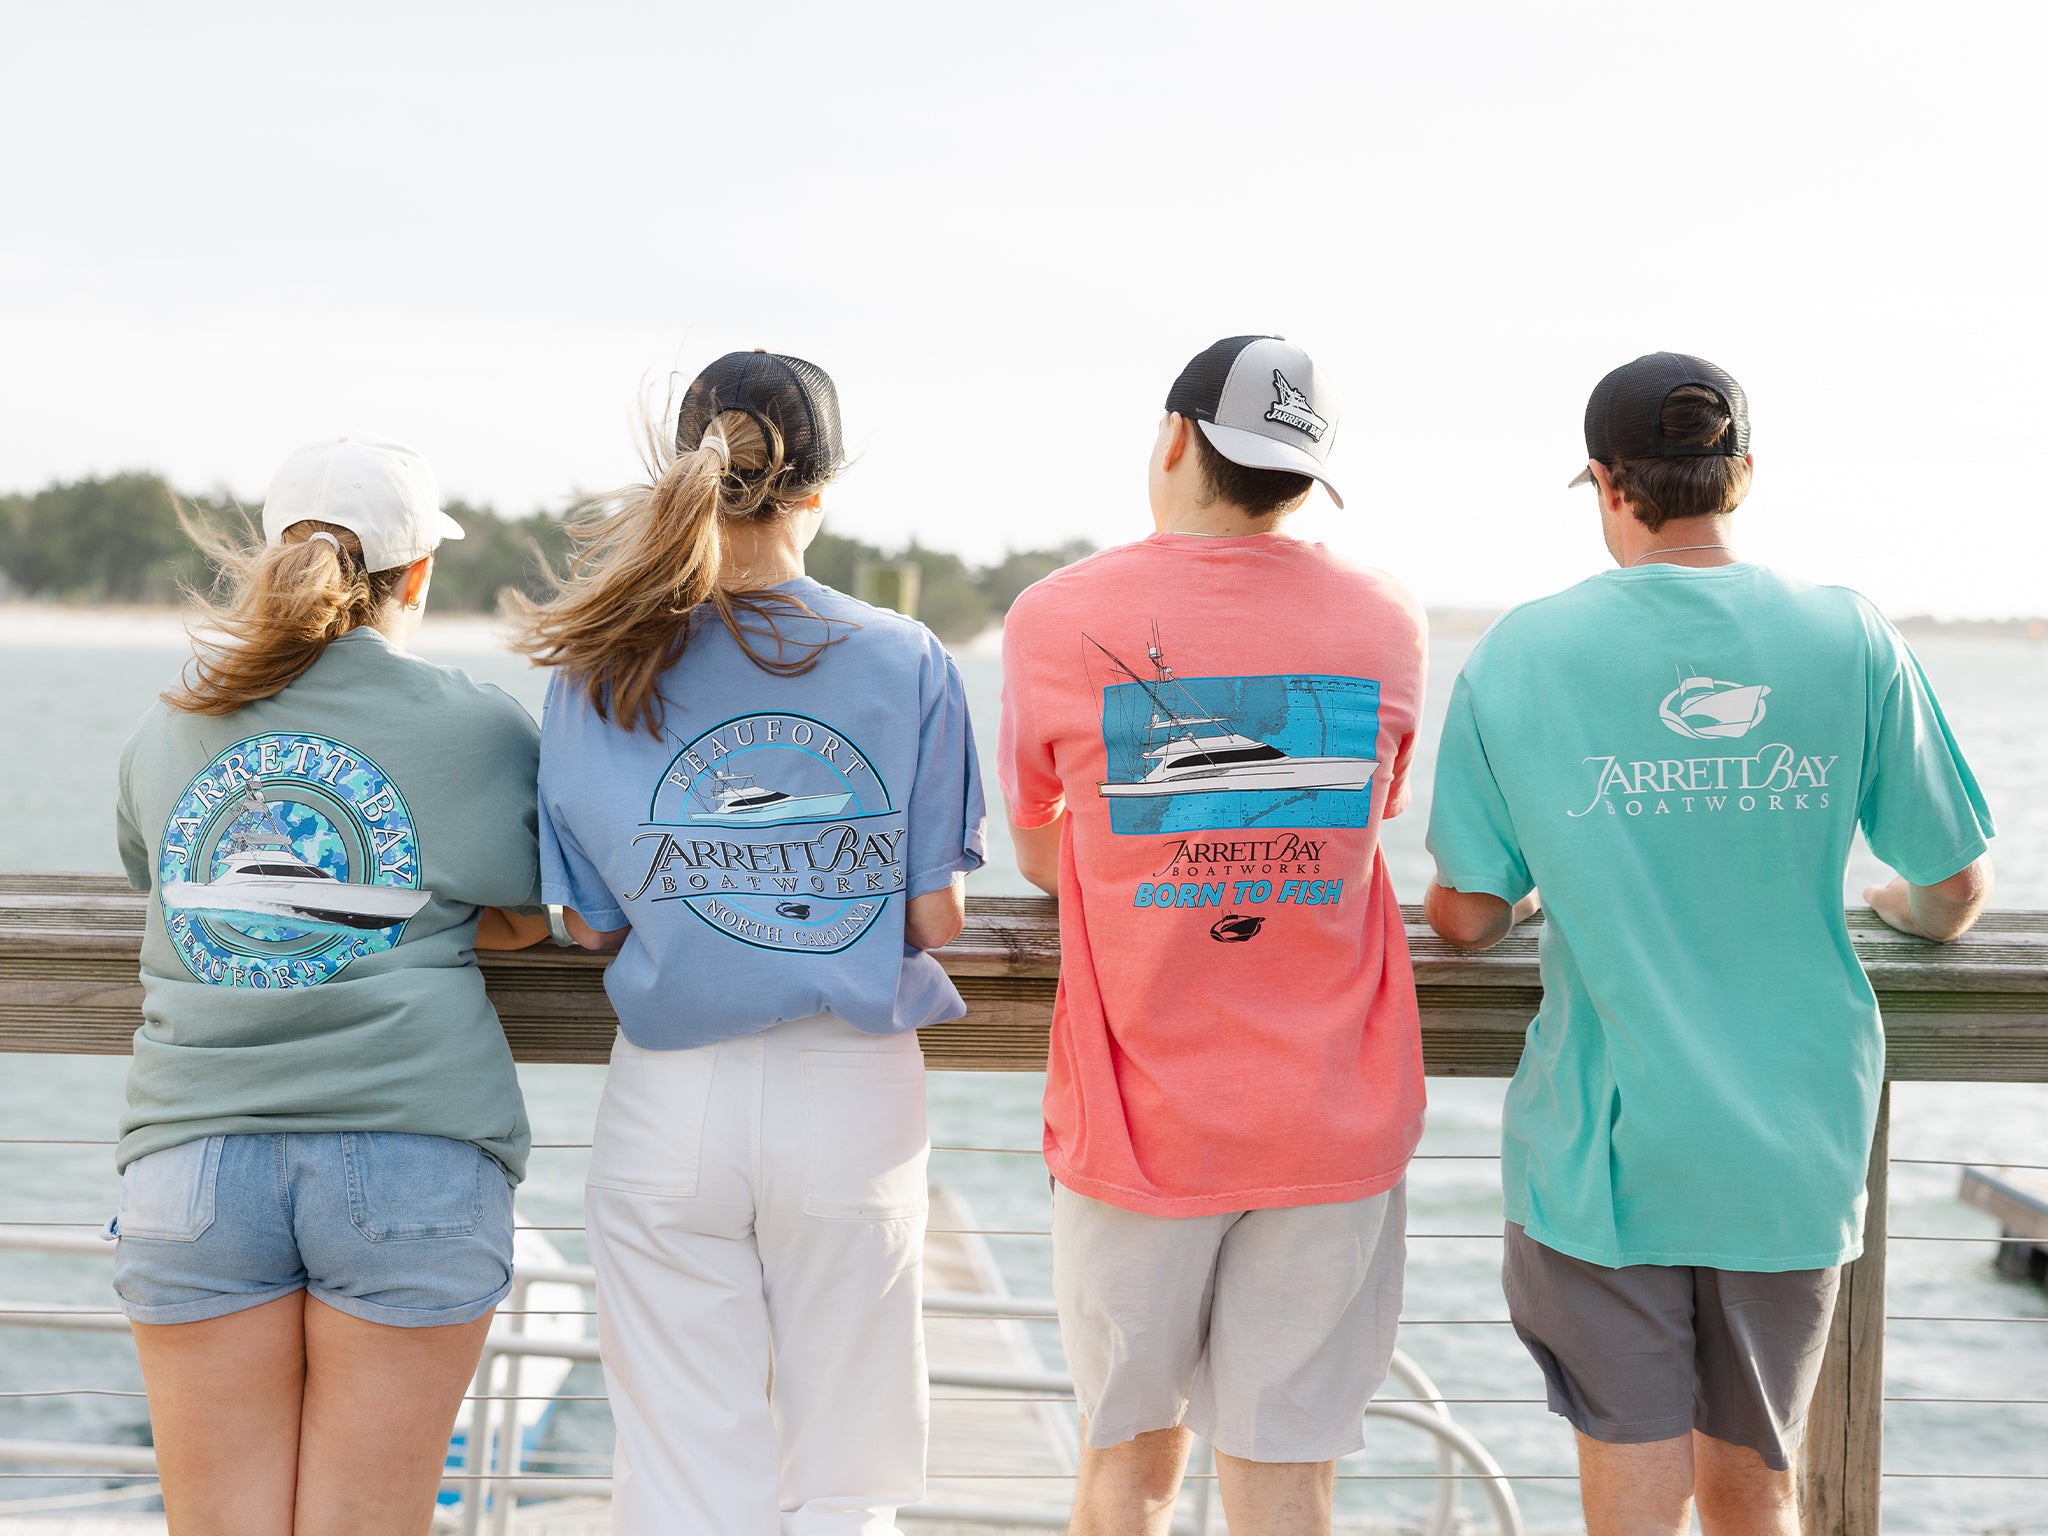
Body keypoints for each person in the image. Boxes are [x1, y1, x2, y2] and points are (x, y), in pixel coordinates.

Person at [1424, 353, 1995, 1536]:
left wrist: (1535, 899)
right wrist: (1888, 908)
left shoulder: (1520, 651)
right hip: (1786, 1144)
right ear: (1740, 474)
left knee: (1628, 1509)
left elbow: (1469, 910)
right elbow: (1951, 889)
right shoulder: (1847, 635)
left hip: (1606, 1149)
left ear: (1601, 483)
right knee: (1757, 1492)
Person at [514, 351, 985, 1535]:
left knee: (680, 1475)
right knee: (844, 1475)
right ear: (820, 490)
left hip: (671, 1095)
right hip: (852, 1092)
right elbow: (932, 919)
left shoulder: (597, 661)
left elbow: (591, 920)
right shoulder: (907, 658)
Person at [998, 336, 1426, 1536]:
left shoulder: (1054, 617)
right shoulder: (1386, 621)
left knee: (1125, 1472)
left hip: (1140, 1122)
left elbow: (1040, 846)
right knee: (1285, 1484)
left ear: (1175, 437)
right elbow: (1363, 821)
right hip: (1331, 1114)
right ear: (1305, 477)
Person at [110, 435, 549, 1535]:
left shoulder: (172, 726)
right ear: (418, 577)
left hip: (192, 1154)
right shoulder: (476, 727)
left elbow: (171, 888)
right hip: (413, 1152)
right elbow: (533, 911)